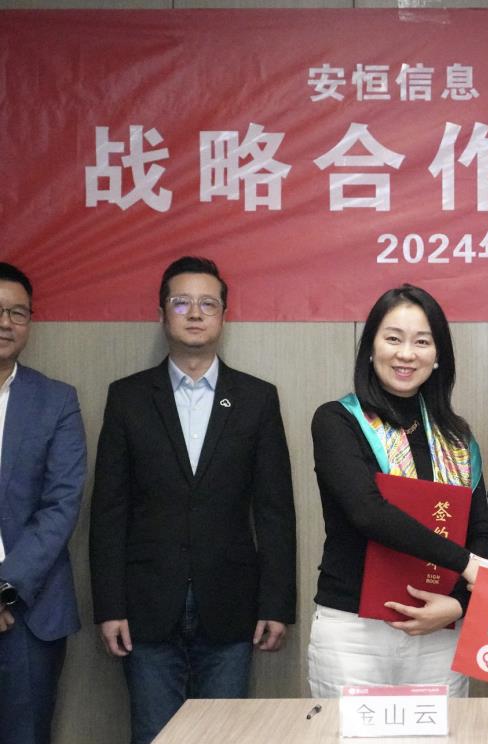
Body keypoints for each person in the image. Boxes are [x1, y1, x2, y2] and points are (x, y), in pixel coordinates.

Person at [89, 256, 296, 744]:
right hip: (145, 607)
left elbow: (274, 511)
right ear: (162, 313)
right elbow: (108, 511)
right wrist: (109, 606)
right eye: (182, 303)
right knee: (154, 736)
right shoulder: (128, 397)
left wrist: (276, 604)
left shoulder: (256, 398)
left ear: (224, 315)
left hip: (230, 606)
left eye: (208, 303)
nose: (196, 313)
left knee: (223, 738)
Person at [308, 284, 488, 699]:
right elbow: (368, 512)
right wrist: (466, 564)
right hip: (353, 633)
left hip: (439, 628)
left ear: (438, 355)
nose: (406, 354)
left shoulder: (457, 439)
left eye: (421, 342)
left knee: (442, 732)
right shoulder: (337, 421)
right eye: (393, 338)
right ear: (370, 348)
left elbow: (480, 528)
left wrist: (460, 604)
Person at [0, 263, 86, 744]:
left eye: (18, 313)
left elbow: (61, 503)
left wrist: (3, 587)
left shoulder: (56, 400)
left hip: (28, 612)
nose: (6, 323)